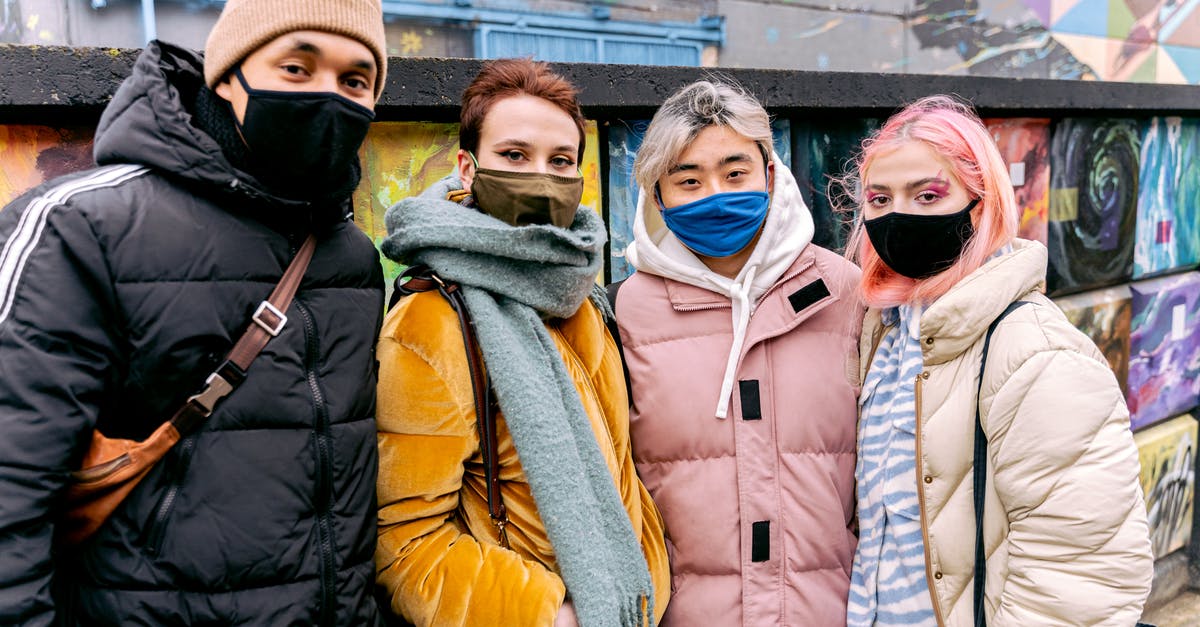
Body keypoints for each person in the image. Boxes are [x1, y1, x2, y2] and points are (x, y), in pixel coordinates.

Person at [0, 0, 389, 624]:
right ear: (228, 73)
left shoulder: (350, 255)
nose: (328, 97)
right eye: (296, 67)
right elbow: (10, 485)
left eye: (355, 81)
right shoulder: (83, 227)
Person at [374, 58, 670, 627]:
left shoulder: (581, 298)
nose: (541, 176)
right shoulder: (432, 319)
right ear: (467, 168)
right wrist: (553, 616)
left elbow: (621, 475)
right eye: (514, 156)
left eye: (560, 161)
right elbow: (407, 545)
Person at [842, 95, 1153, 626]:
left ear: (981, 204)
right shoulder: (885, 337)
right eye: (879, 198)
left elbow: (1082, 576)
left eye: (928, 195)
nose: (899, 215)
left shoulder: (1034, 352)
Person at [611, 80, 864, 625]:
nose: (716, 195)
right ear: (657, 194)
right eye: (688, 180)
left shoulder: (844, 291)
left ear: (770, 174)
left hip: (830, 611)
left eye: (735, 173)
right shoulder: (627, 311)